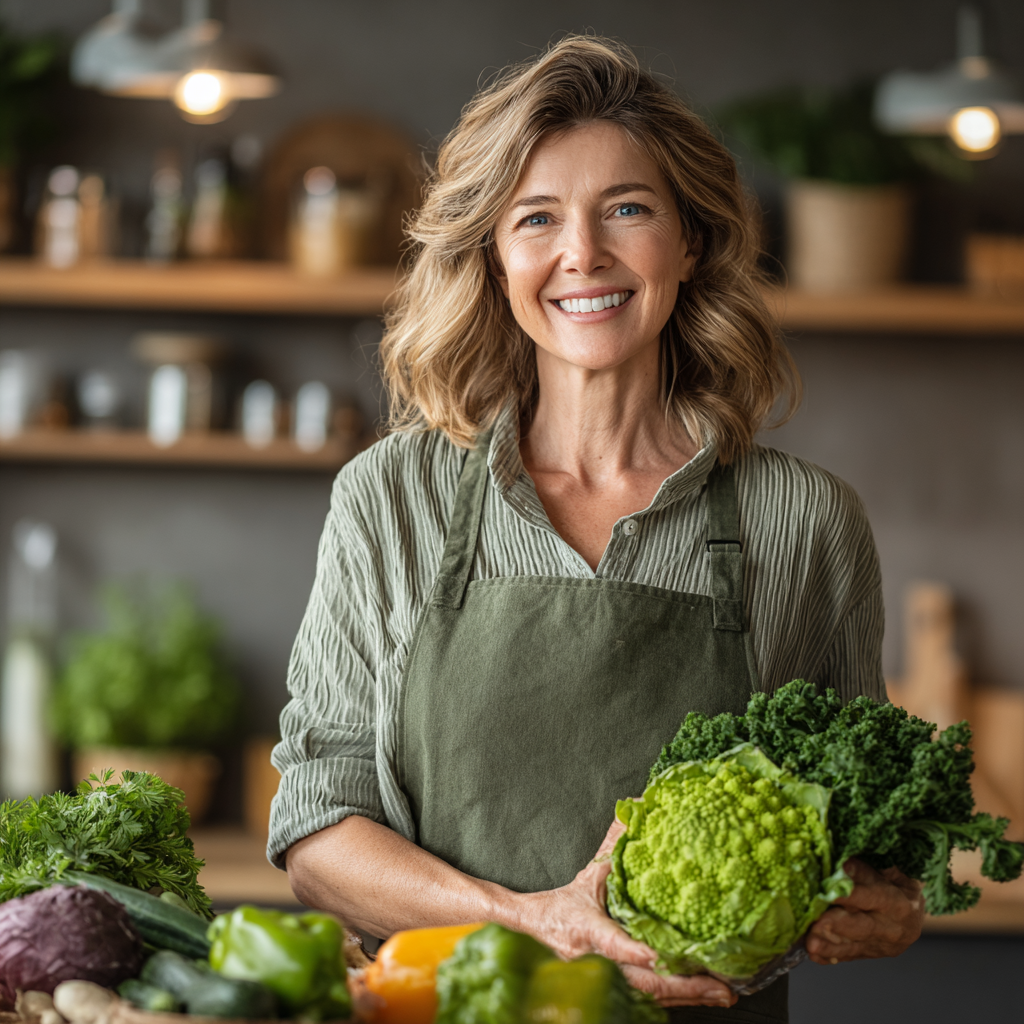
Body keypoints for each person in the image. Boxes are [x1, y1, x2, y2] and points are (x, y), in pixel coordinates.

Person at [268, 35, 923, 1023]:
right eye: (536, 218)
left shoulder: (805, 521)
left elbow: (864, 827)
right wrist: (533, 919)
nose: (584, 254)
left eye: (627, 208)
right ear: (493, 256)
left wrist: (887, 900)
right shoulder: (389, 499)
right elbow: (318, 834)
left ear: (689, 239)